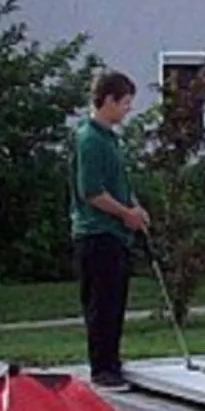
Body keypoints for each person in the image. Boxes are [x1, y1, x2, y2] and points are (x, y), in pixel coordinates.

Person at [70, 68, 149, 390]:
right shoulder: (89, 139)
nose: (128, 109)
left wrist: (135, 207)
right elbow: (91, 191)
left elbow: (119, 183)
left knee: (115, 302)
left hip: (116, 233)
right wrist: (124, 214)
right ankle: (102, 368)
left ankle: (112, 360)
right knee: (101, 304)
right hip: (97, 232)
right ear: (109, 100)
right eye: (125, 102)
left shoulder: (111, 139)